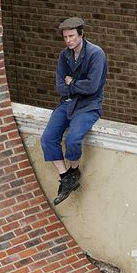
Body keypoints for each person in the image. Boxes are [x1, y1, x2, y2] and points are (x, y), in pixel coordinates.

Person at [41, 17, 107, 205]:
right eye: (65, 37)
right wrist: (74, 86)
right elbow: (60, 87)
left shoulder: (96, 54)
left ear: (81, 34)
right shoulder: (64, 55)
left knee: (72, 139)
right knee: (47, 138)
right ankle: (66, 178)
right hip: (67, 103)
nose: (68, 40)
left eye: (71, 36)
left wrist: (72, 82)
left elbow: (93, 87)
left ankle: (73, 171)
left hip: (89, 106)